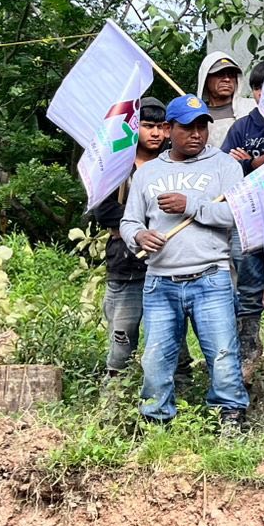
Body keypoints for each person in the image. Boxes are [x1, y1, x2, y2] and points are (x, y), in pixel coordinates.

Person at [119, 94, 248, 427]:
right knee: (156, 359)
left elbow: (237, 214)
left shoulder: (225, 166)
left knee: (222, 355)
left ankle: (230, 418)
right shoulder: (148, 173)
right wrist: (139, 236)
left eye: (202, 127)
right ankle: (156, 420)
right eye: (188, 127)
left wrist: (190, 205)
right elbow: (129, 221)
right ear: (168, 128)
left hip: (212, 277)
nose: (196, 134)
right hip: (160, 281)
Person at [88, 97, 192, 385]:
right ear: (135, 128)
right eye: (148, 126)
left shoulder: (177, 164)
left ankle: (182, 394)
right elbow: (103, 210)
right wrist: (142, 226)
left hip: (169, 263)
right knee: (122, 338)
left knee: (174, 339)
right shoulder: (116, 165)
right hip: (126, 265)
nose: (156, 133)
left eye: (161, 127)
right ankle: (114, 397)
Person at [221, 61, 264, 383]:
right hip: (248, 219)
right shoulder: (242, 128)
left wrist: (254, 161)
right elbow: (227, 171)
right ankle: (249, 355)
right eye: (259, 88)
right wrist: (253, 163)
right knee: (248, 289)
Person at [196, 51, 255, 149]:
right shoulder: (195, 115)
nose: (227, 79)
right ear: (206, 79)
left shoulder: (252, 108)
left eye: (231, 75)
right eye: (219, 74)